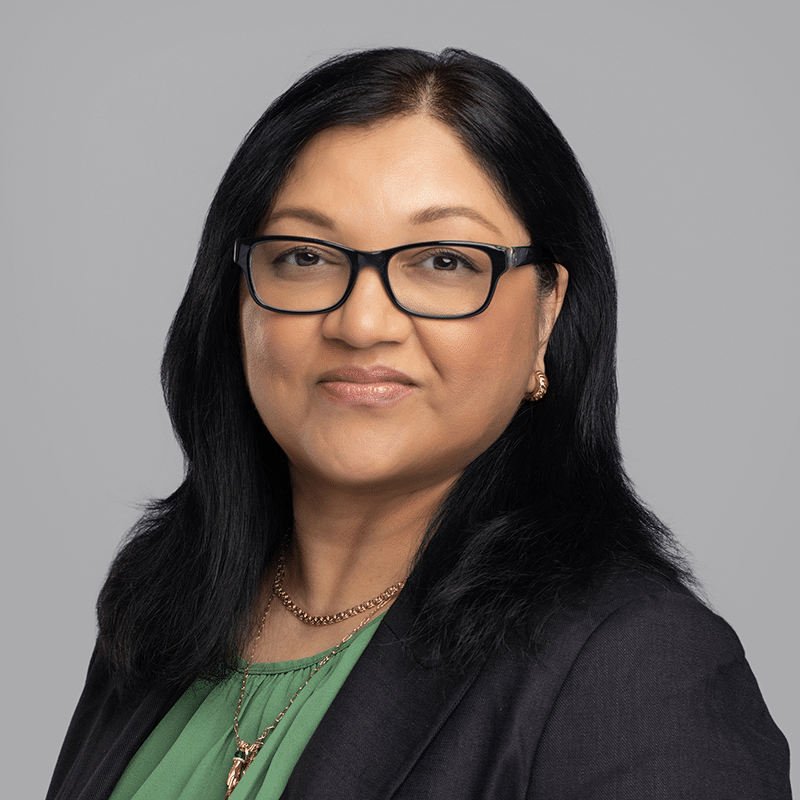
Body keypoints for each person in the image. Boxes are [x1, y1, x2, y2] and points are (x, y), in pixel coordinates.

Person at [46, 47, 791, 800]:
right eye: (305, 255)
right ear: (235, 298)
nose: (362, 322)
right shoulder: (159, 622)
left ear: (547, 314)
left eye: (444, 262)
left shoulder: (637, 670)